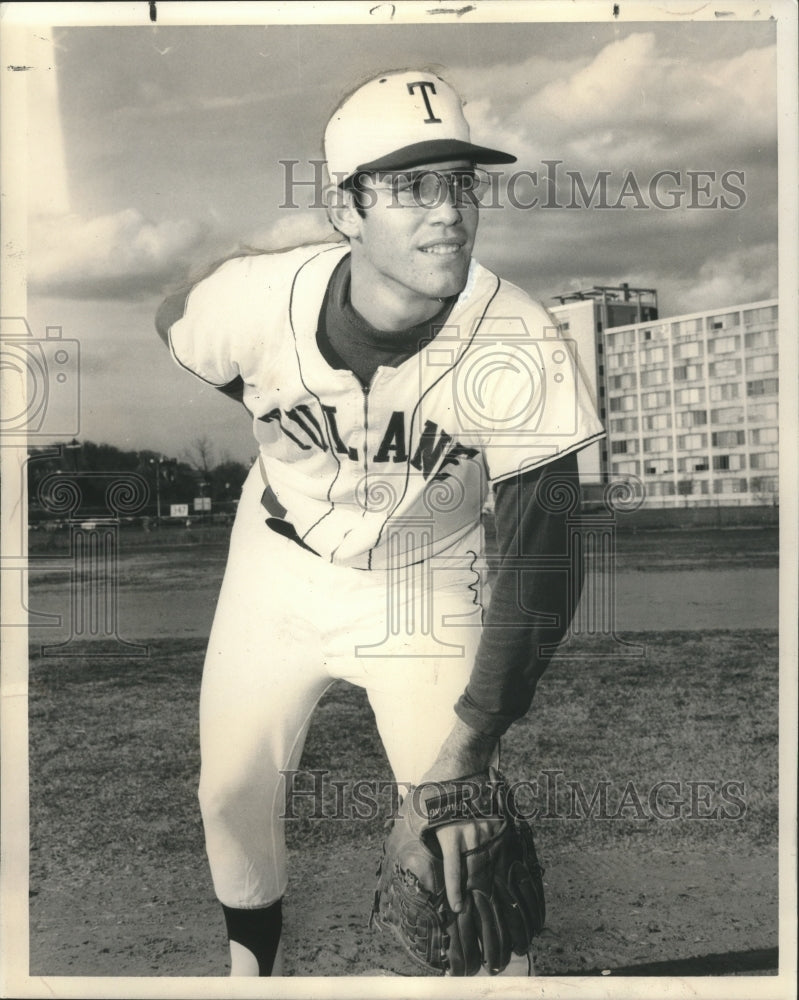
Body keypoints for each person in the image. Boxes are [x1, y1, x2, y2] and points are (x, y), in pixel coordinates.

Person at [155, 68, 604, 977]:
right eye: (409, 187)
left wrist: (470, 747)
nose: (448, 212)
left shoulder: (516, 340)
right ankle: (251, 974)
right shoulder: (254, 300)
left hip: (427, 575)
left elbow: (544, 567)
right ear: (346, 211)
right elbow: (176, 316)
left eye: (461, 183)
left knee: (458, 836)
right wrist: (254, 389)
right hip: (277, 565)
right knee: (229, 794)